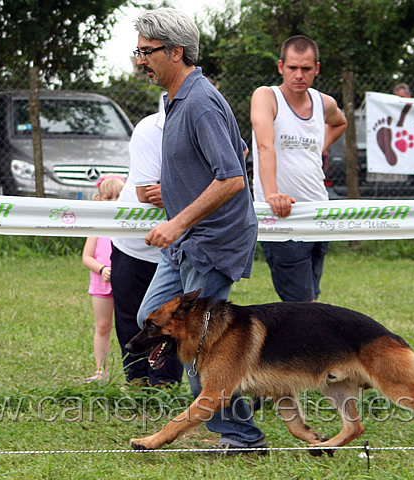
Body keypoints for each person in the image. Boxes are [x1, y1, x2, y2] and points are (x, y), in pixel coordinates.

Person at [133, 7, 266, 452]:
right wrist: (172, 192)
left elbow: (231, 176)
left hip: (211, 243)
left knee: (196, 345)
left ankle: (241, 436)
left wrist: (178, 220)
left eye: (147, 52)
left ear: (176, 51)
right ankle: (242, 399)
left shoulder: (200, 100)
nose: (140, 61)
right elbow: (238, 151)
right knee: (151, 316)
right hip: (188, 240)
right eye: (138, 51)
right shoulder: (178, 99)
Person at [250, 35, 347, 303]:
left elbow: (340, 122)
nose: (299, 75)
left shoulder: (323, 102)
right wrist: (272, 195)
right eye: (292, 68)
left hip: (318, 211)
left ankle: (314, 344)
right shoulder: (266, 96)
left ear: (317, 68)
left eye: (306, 68)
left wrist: (315, 149)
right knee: (302, 304)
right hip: (282, 216)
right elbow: (264, 146)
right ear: (281, 67)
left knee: (310, 299)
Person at [111, 109, 183, 387]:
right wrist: (194, 187)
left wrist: (175, 189)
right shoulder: (148, 130)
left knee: (172, 321)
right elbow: (148, 193)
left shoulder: (209, 122)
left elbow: (239, 155)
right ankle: (136, 380)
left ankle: (165, 383)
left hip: (177, 247)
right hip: (131, 244)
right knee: (130, 317)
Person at [82, 175, 126, 383]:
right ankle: (102, 371)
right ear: (99, 200)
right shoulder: (97, 226)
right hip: (101, 284)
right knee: (102, 326)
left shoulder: (130, 224)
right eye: (109, 197)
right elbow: (86, 257)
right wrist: (102, 270)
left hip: (125, 281)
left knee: (128, 324)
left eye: (119, 197)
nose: (114, 202)